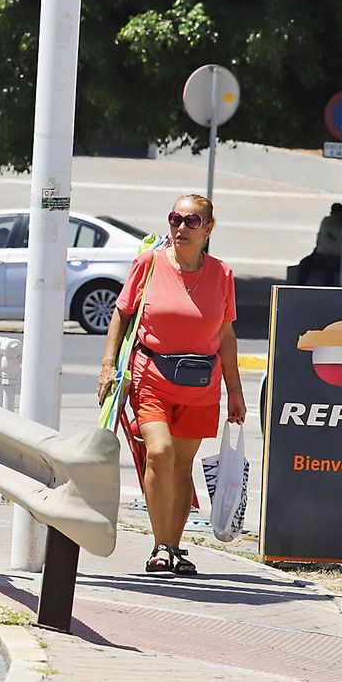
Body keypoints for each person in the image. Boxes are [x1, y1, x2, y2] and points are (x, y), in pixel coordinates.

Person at [97, 194, 246, 577]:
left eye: (191, 222)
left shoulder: (222, 274)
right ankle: (159, 545)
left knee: (182, 468)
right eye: (175, 219)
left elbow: (226, 336)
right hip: (151, 376)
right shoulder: (149, 264)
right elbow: (122, 313)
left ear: (208, 229)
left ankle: (173, 548)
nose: (181, 227)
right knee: (159, 453)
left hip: (202, 386)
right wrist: (108, 365)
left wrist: (236, 391)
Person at [295, 203, 342, 285]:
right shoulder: (326, 222)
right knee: (304, 263)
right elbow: (320, 240)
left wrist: (327, 247)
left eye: (339, 214)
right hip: (320, 254)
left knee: (329, 270)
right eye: (334, 214)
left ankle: (326, 291)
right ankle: (300, 288)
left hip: (337, 258)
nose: (336, 217)